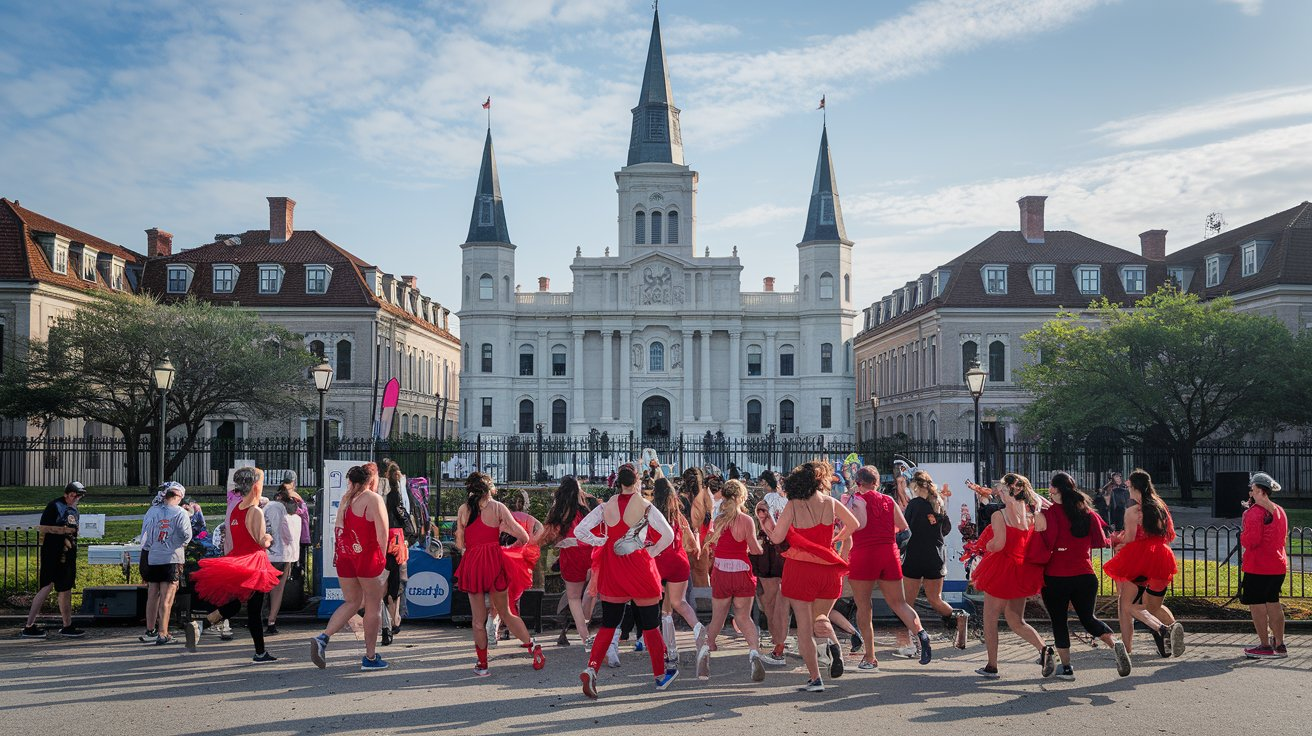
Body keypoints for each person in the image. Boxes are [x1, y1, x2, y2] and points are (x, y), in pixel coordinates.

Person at [576, 464, 678, 698]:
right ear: (637, 483)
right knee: (651, 624)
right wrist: (649, 554)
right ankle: (661, 675)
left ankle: (592, 668)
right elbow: (668, 535)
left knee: (610, 623)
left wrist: (601, 542)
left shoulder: (606, 506)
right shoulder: (645, 506)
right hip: (638, 564)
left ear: (617, 483)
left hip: (613, 565)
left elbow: (581, 531)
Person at [768, 461, 859, 693]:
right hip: (827, 568)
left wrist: (766, 524)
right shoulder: (830, 502)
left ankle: (815, 678)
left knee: (804, 629)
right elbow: (854, 524)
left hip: (800, 569)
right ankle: (834, 646)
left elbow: (777, 538)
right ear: (820, 481)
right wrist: (837, 539)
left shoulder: (793, 504)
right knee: (822, 616)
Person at [1035, 472, 1131, 680]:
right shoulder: (1086, 512)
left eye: (1051, 487)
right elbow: (1100, 541)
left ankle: (1067, 668)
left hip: (1056, 575)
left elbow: (1044, 542)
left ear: (1055, 489)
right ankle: (1115, 644)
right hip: (1085, 574)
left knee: (1059, 621)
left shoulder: (1050, 513)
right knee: (1088, 618)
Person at [452, 472, 545, 677]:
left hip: (473, 564)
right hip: (495, 561)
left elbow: (460, 544)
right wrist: (510, 548)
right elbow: (523, 536)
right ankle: (533, 647)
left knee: (477, 620)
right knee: (506, 612)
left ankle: (483, 664)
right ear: (490, 489)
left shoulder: (464, 510)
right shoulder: (498, 508)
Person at [186, 467, 282, 663]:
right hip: (253, 562)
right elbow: (261, 541)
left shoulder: (236, 508)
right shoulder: (255, 511)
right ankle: (260, 652)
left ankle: (202, 624)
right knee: (254, 609)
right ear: (256, 486)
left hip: (237, 560)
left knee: (237, 604)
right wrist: (270, 538)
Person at [846, 466, 934, 671]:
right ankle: (921, 633)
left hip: (864, 553)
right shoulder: (889, 500)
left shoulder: (855, 501)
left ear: (859, 483)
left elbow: (848, 526)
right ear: (876, 482)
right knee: (899, 603)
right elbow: (904, 528)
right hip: (888, 553)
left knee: (864, 607)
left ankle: (870, 657)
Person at [306, 464, 390, 671]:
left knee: (352, 602)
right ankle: (370, 657)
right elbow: (382, 534)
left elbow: (339, 531)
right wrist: (383, 560)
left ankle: (323, 637)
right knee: (373, 605)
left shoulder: (346, 500)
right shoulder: (373, 499)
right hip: (367, 557)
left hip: (346, 557)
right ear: (370, 480)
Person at [970, 472, 1048, 679]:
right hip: (1022, 569)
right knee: (1016, 619)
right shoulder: (1033, 515)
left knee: (990, 618)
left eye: (1003, 490)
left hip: (1001, 568)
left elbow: (999, 544)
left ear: (1010, 491)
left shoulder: (1000, 515)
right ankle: (1044, 649)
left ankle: (992, 665)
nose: (1000, 494)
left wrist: (985, 545)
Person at [1103, 468, 1184, 659]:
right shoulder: (1159, 505)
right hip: (1162, 555)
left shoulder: (1133, 510)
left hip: (1140, 558)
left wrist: (1117, 541)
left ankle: (1153, 633)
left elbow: (1130, 538)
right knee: (1154, 606)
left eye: (1129, 484)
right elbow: (1168, 533)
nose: (1126, 487)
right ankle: (1173, 631)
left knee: (1128, 605)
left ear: (1134, 486)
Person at [696, 479, 766, 682]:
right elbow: (754, 550)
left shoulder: (718, 520)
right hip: (741, 571)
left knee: (718, 617)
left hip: (721, 571)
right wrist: (758, 547)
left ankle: (706, 652)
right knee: (744, 617)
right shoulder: (746, 520)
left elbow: (715, 545)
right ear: (741, 497)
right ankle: (754, 653)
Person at [900, 470, 969, 653]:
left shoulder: (914, 504)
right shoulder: (938, 502)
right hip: (935, 556)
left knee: (907, 602)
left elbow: (905, 528)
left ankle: (913, 641)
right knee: (935, 599)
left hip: (915, 555)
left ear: (915, 486)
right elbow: (946, 529)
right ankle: (958, 618)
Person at [651, 476, 705, 667]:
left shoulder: (651, 514)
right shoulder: (678, 516)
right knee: (679, 603)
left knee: (665, 611)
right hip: (679, 562)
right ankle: (699, 630)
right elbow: (692, 545)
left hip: (659, 563)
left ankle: (671, 651)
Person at [22, 481, 87, 639]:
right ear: (66, 494)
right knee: (46, 586)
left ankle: (67, 625)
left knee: (65, 589)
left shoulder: (74, 509)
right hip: (53, 553)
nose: (75, 498)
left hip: (68, 553)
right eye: (73, 495)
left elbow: (74, 529)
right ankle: (29, 626)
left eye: (78, 496)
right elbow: (43, 528)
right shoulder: (55, 505)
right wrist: (65, 530)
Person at [543, 476, 597, 646]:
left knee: (573, 598)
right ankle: (587, 618)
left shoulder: (558, 510)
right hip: (590, 552)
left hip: (570, 555)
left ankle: (584, 636)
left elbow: (548, 536)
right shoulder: (587, 507)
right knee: (591, 591)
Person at [137, 482, 192, 645]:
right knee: (167, 597)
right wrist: (178, 543)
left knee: (152, 594)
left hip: (153, 556)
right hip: (172, 558)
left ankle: (150, 629)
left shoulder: (152, 511)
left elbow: (144, 534)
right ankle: (163, 632)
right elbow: (186, 535)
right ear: (179, 497)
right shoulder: (180, 513)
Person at [1240, 472, 1288, 659]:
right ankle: (1280, 643)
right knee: (1273, 603)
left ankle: (1265, 645)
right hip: (1277, 564)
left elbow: (1250, 541)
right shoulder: (1280, 510)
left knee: (1257, 605)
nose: (1250, 492)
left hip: (1258, 566)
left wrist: (1242, 534)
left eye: (1252, 489)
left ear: (1260, 490)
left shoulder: (1253, 513)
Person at [751, 469, 791, 666]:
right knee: (781, 600)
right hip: (787, 548)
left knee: (770, 598)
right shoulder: (790, 502)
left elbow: (764, 522)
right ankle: (779, 642)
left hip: (770, 548)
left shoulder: (767, 498)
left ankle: (777, 641)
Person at [263, 484, 302, 635]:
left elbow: (267, 529)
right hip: (287, 556)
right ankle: (272, 622)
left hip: (270, 553)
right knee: (278, 590)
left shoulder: (272, 507)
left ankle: (261, 618)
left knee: (263, 588)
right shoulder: (296, 515)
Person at [380, 460, 409, 647]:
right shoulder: (397, 494)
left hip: (382, 539)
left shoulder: (379, 493)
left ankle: (388, 622)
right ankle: (394, 619)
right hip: (396, 540)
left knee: (384, 582)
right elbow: (403, 516)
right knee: (397, 581)